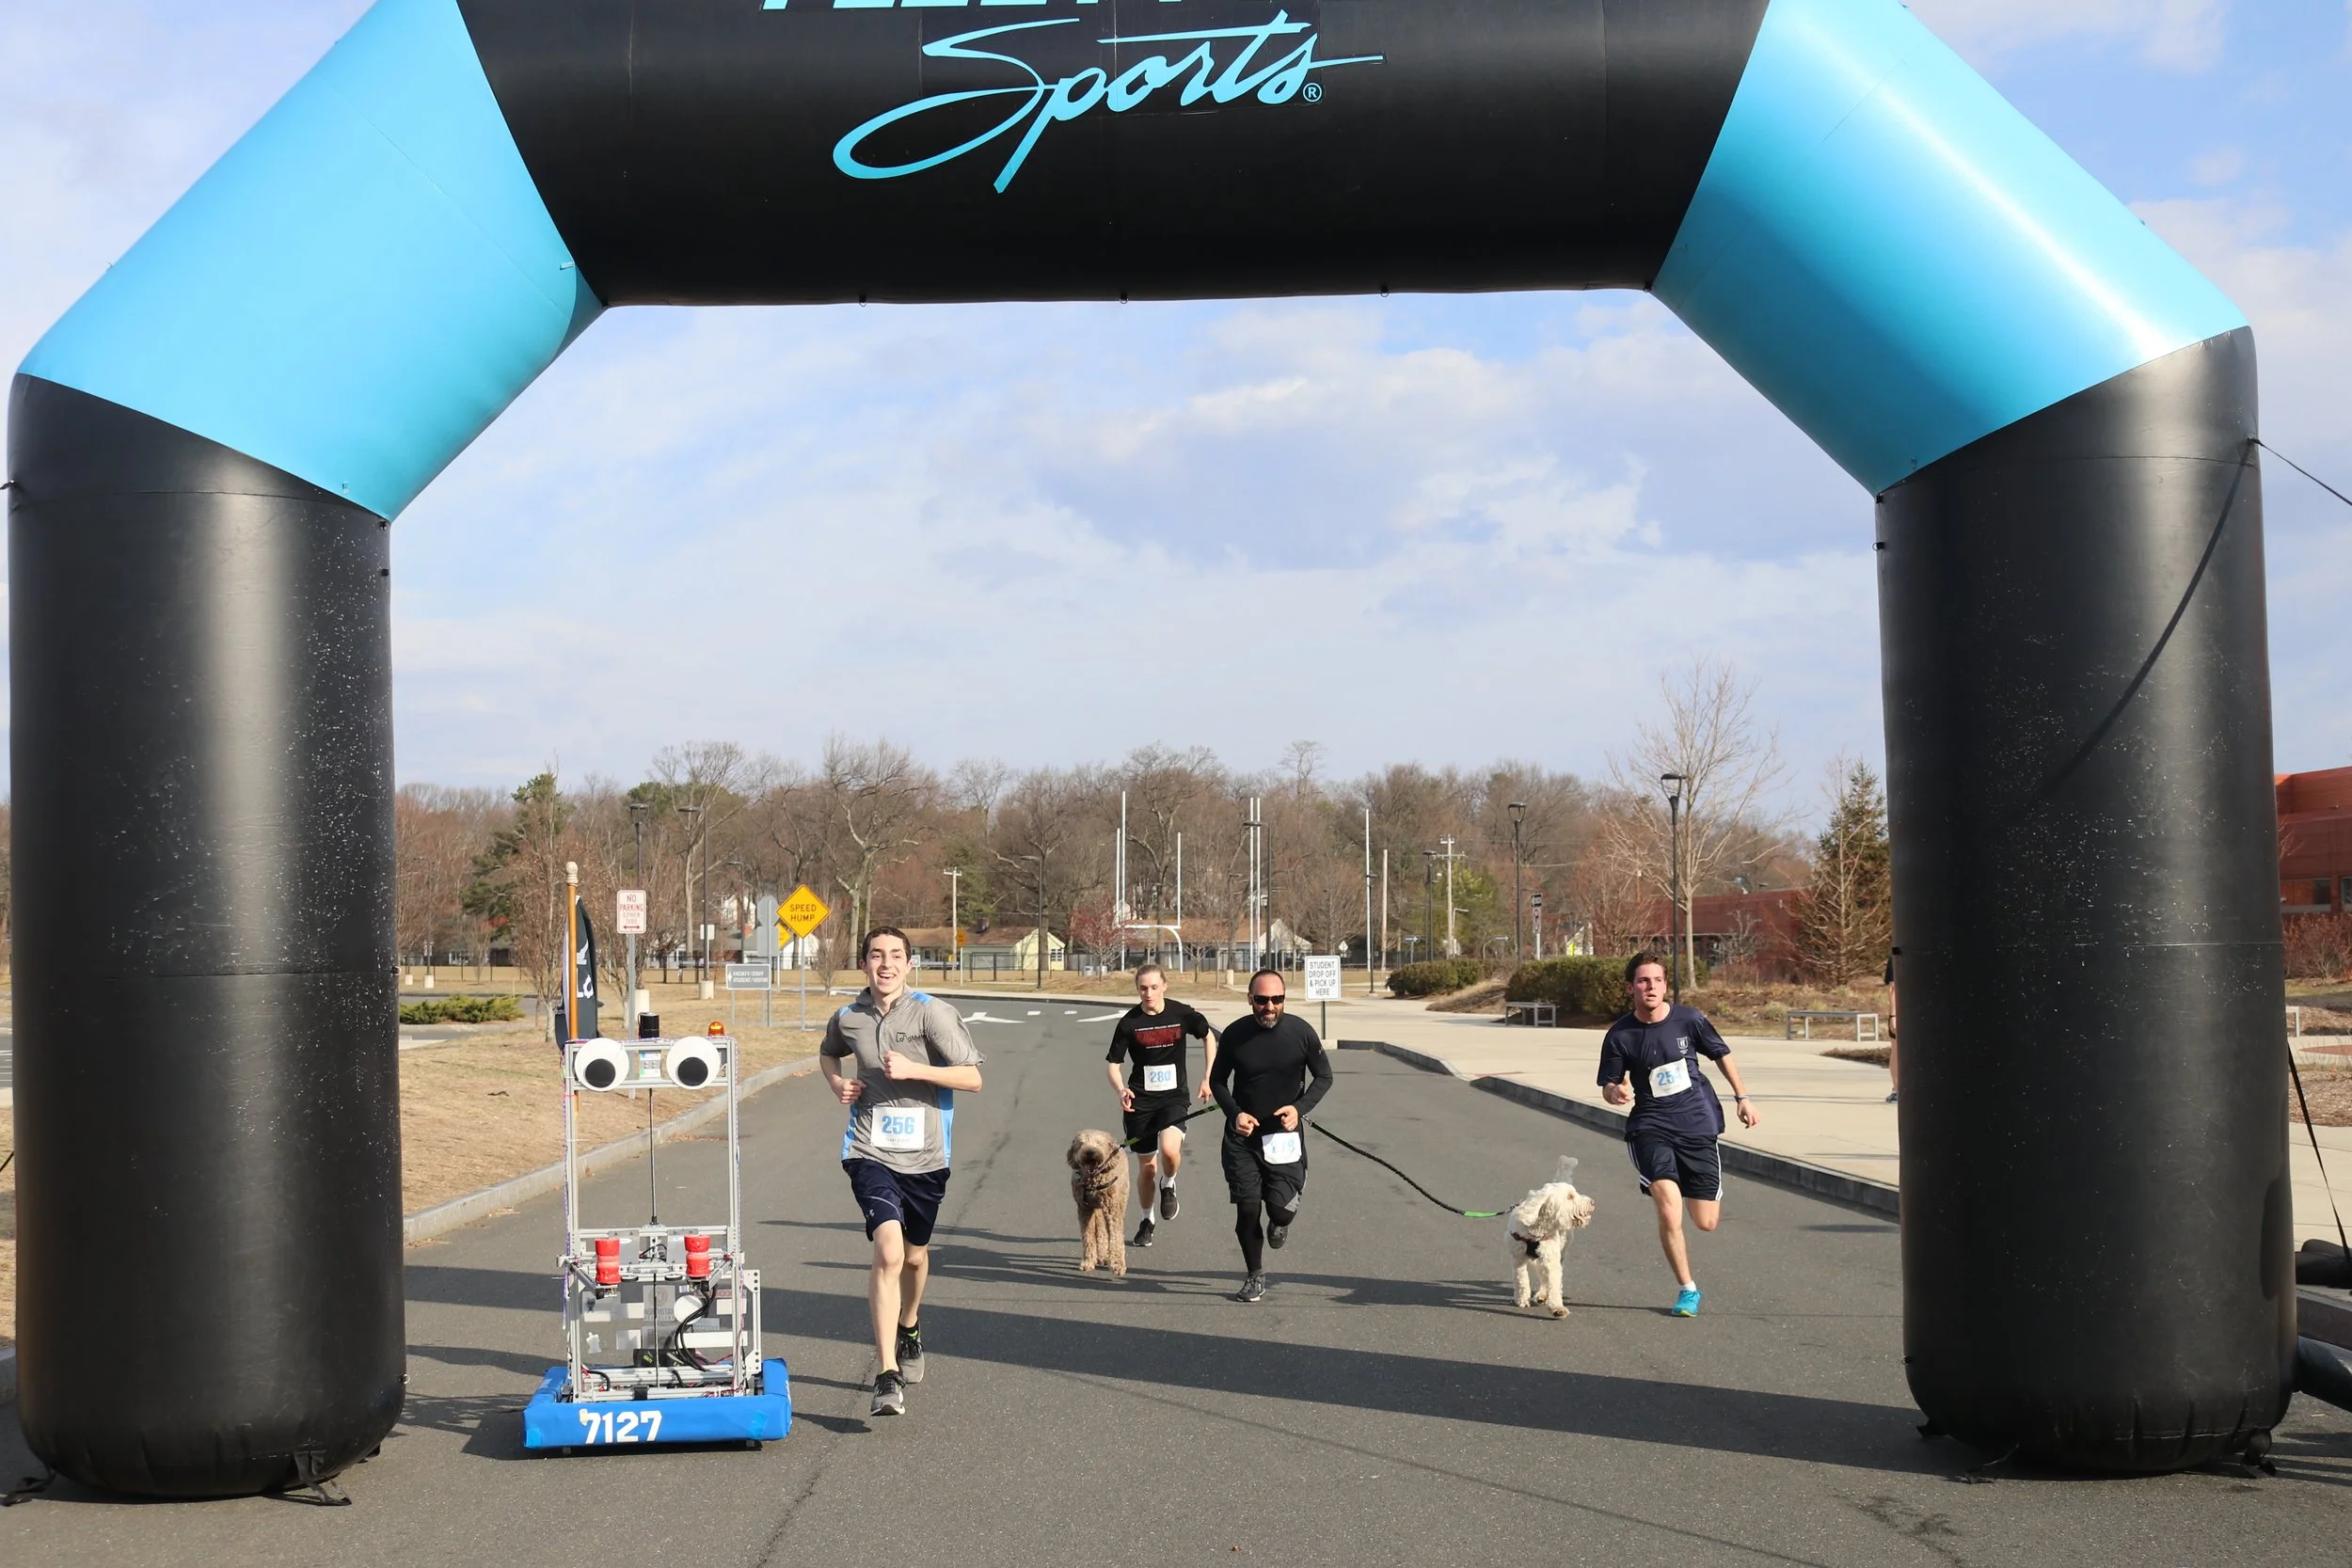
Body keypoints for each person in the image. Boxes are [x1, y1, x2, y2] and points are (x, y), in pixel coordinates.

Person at [820, 926, 984, 1418]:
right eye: (876, 956)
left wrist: (918, 1071)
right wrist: (837, 1084)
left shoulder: (932, 1012)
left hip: (927, 1156)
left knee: (915, 1257)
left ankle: (909, 1324)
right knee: (888, 1249)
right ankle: (887, 1373)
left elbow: (973, 1077)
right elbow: (830, 1051)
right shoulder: (849, 1017)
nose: (885, 964)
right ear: (864, 963)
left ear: (910, 964)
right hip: (869, 1149)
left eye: (895, 956)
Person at [1598, 952, 1759, 1318]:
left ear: (1665, 985)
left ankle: (1685, 1179)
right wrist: (1615, 1093)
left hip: (1698, 1123)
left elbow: (1722, 1054)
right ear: (1631, 988)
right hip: (1650, 1126)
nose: (1650, 987)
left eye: (1656, 980)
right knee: (1670, 1211)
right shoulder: (1620, 1035)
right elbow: (1608, 1084)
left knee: (1705, 1222)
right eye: (1642, 981)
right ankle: (1688, 1290)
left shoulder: (1690, 1020)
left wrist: (1743, 1098)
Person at [1208, 968, 1331, 1304]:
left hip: (1284, 1137)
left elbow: (1324, 1077)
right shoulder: (1235, 1035)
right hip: (1243, 1138)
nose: (1270, 1007)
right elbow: (1218, 1081)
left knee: (1280, 1212)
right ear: (1250, 1000)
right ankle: (1254, 1275)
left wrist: (1299, 1108)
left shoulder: (1301, 1033)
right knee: (1247, 1211)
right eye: (1262, 1000)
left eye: (1277, 999)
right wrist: (1235, 1114)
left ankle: (1281, 1220)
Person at [1104, 961, 1219, 1247]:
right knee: (1147, 1169)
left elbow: (1208, 1037)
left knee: (1169, 1150)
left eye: (1154, 987)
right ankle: (1147, 1219)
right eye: (1143, 988)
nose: (1148, 993)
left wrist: (1208, 1078)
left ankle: (1169, 1184)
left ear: (1164, 986)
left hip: (1173, 1098)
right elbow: (1113, 1065)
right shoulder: (1129, 1023)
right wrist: (1120, 1090)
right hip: (1140, 1102)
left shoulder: (1181, 1013)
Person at [1883, 953, 1899, 1103]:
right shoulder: (1895, 959)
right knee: (1896, 1051)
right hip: (1900, 1014)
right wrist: (1893, 1015)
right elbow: (1892, 989)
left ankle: (1898, 1090)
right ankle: (1897, 1089)